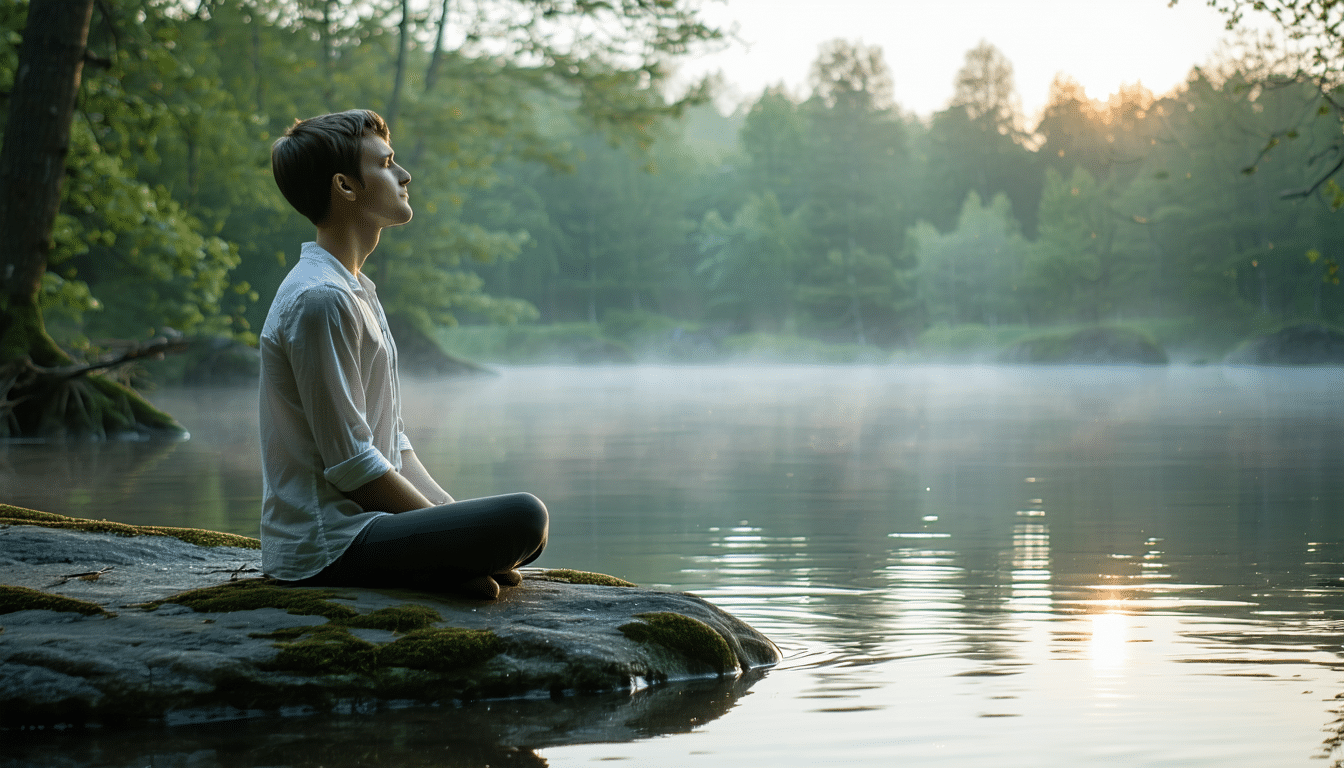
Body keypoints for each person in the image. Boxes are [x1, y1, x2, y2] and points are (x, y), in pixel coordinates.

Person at [259, 109, 547, 600]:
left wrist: (450, 526)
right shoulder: (319, 300)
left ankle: (441, 567)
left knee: (519, 530)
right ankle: (441, 569)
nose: (404, 174)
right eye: (387, 163)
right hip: (328, 545)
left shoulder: (354, 290)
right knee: (525, 516)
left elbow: (393, 443)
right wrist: (458, 540)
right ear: (346, 188)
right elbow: (352, 466)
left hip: (368, 530)